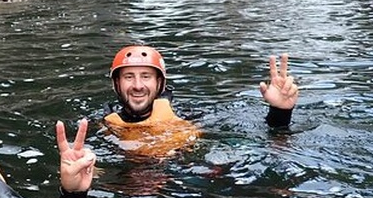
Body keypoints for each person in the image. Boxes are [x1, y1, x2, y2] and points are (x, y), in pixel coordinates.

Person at [103, 45, 299, 157]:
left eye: (146, 76)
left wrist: (280, 112)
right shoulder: (104, 125)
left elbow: (260, 137)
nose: (138, 85)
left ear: (160, 83)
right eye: (129, 77)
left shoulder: (188, 116)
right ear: (117, 84)